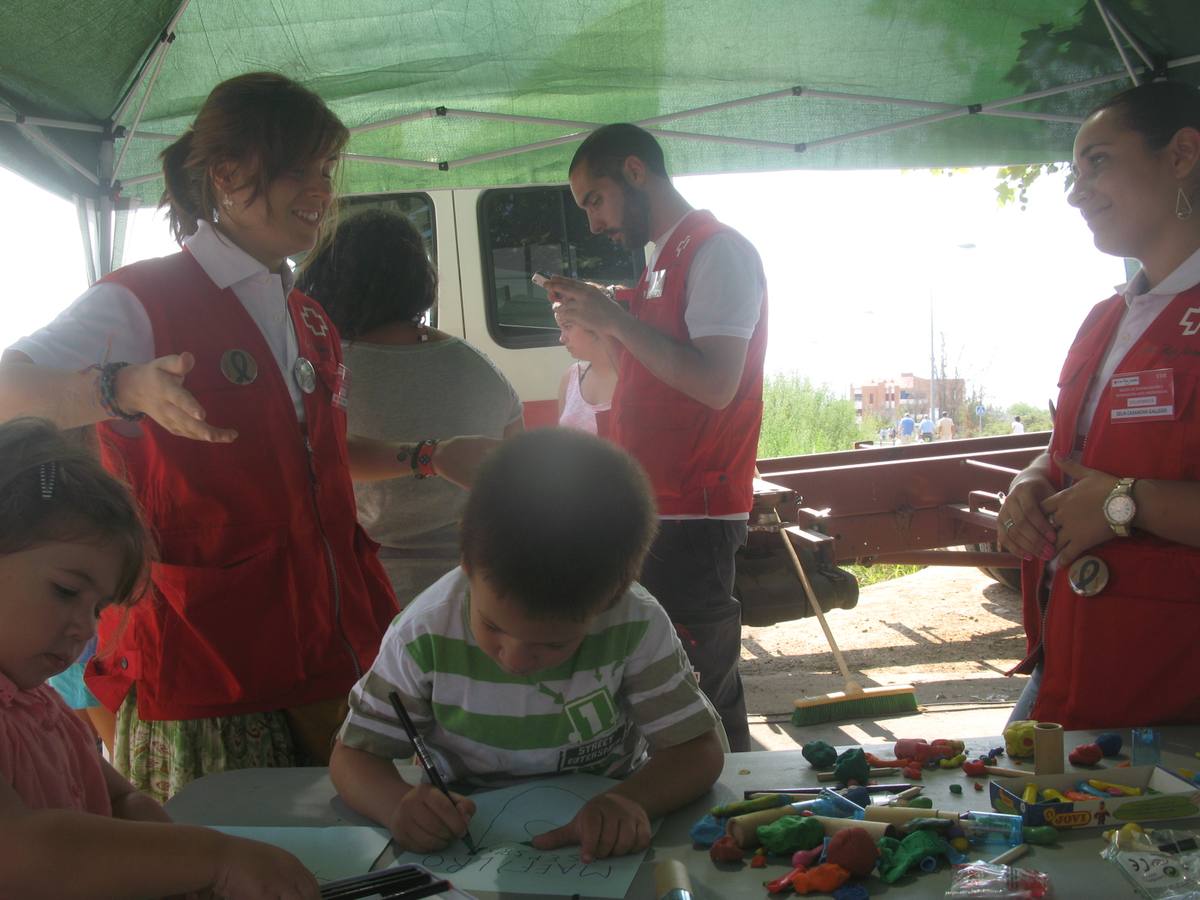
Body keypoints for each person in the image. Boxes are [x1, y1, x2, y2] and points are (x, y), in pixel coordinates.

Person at [0, 72, 493, 801]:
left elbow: (320, 462)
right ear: (228, 175)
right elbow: (11, 391)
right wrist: (121, 387)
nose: (322, 192)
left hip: (332, 648)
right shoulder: (140, 299)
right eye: (302, 171)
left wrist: (427, 457)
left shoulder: (309, 319)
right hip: (211, 659)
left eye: (327, 172)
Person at [330, 429, 726, 861]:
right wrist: (395, 806)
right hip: (462, 841)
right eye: (492, 626)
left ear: (610, 601)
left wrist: (630, 801)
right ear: (467, 561)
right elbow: (353, 757)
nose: (515, 659)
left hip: (601, 843)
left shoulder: (634, 623)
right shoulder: (423, 633)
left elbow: (697, 751)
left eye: (553, 644)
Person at [0, 418, 319, 900]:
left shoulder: (38, 705)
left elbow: (115, 794)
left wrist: (141, 816)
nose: (87, 627)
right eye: (66, 590)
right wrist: (214, 858)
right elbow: (19, 852)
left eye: (97, 608)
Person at [542, 124, 766, 751]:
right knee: (674, 694)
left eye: (595, 199)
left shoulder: (718, 249)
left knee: (695, 697)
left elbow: (717, 383)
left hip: (695, 510)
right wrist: (602, 315)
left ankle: (728, 821)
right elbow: (654, 370)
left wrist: (614, 318)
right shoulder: (663, 259)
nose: (592, 223)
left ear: (636, 172)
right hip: (658, 506)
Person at [998, 80, 1200, 729]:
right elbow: (1078, 448)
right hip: (1073, 662)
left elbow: (1117, 483)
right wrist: (1033, 478)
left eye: (1099, 162)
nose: (1076, 190)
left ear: (1182, 155)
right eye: (1073, 171)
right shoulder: (1104, 318)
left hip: (1173, 691)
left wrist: (1126, 503)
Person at [296, 208, 523, 604]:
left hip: (370, 592)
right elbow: (515, 472)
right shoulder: (481, 366)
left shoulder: (327, 370)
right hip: (479, 592)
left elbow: (308, 468)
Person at [556, 320, 617, 433]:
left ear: (594, 326)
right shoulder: (571, 376)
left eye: (568, 327)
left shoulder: (632, 377)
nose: (562, 338)